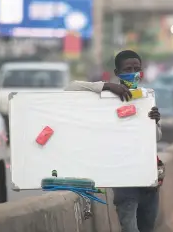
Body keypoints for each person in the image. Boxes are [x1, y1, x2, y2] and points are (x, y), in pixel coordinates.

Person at [65, 50, 164, 232]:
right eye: (128, 69)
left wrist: (155, 123)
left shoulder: (146, 97)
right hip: (125, 181)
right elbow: (71, 87)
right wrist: (107, 86)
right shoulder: (105, 97)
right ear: (117, 73)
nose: (133, 72)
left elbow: (155, 139)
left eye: (137, 68)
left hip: (149, 181)